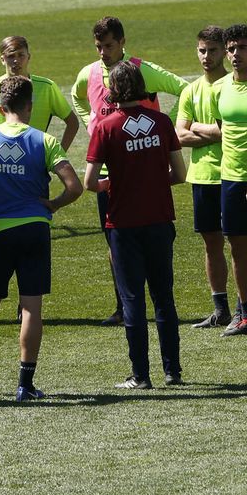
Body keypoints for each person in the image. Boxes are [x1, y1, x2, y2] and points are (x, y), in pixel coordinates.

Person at [0, 75, 83, 401]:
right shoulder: (45, 141)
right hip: (35, 230)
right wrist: (52, 205)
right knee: (31, 309)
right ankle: (25, 385)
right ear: (30, 106)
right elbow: (75, 187)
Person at [72, 16, 187, 326]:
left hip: (145, 169)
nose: (102, 52)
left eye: (108, 46)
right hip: (111, 176)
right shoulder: (89, 73)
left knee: (151, 242)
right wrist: (92, 123)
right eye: (98, 46)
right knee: (115, 243)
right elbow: (77, 97)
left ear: (122, 42)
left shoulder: (142, 70)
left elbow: (184, 90)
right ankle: (124, 307)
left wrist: (171, 127)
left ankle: (150, 305)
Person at [84, 62, 188, 389]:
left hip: (123, 224)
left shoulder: (106, 126)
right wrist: (152, 182)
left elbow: (90, 181)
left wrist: (111, 184)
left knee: (132, 300)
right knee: (164, 298)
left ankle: (141, 375)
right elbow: (180, 175)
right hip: (159, 219)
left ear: (113, 90)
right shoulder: (161, 121)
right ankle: (173, 371)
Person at [175, 26, 232, 329]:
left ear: (224, 50)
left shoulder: (233, 86)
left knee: (239, 242)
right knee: (211, 244)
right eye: (201, 50)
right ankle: (220, 308)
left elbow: (231, 132)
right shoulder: (190, 90)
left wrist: (199, 128)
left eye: (212, 50)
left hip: (233, 174)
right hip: (202, 177)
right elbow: (179, 135)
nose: (206, 56)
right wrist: (214, 132)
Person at [212, 24, 247, 336]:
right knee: (237, 246)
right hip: (231, 178)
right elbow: (223, 129)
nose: (235, 54)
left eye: (241, 48)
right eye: (231, 49)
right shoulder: (220, 88)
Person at [0, 35, 79, 151]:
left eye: (21, 55)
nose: (16, 60)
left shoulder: (47, 87)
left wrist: (57, 154)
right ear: (2, 59)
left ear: (28, 57)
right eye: (11, 56)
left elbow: (72, 122)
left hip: (34, 162)